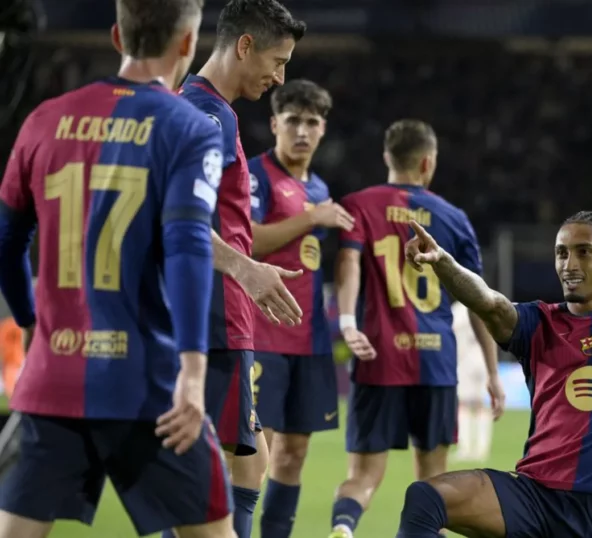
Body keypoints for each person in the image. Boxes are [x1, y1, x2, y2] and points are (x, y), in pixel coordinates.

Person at [393, 24, 592, 538]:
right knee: (427, 497)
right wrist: (443, 262)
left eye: (584, 251)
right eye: (560, 253)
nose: (569, 263)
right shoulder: (540, 323)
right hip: (532, 498)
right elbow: (489, 302)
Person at [0, 0, 234, 536]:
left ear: (116, 36)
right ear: (187, 43)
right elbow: (187, 247)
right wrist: (194, 374)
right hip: (149, 387)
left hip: (51, 381)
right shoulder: (190, 128)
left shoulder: (44, 120)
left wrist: (31, 321)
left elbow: (6, 240)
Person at [329, 119, 505, 538]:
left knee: (363, 475)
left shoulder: (359, 205)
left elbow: (348, 263)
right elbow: (479, 301)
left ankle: (342, 526)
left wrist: (348, 320)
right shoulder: (454, 219)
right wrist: (494, 372)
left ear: (388, 157)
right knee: (433, 482)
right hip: (435, 362)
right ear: (428, 162)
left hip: (379, 359)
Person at [178, 1, 306, 537]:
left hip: (218, 317)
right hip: (214, 319)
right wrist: (246, 269)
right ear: (244, 45)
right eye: (276, 61)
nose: (279, 78)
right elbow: (177, 215)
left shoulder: (202, 108)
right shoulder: (208, 115)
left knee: (244, 459)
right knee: (210, 474)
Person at [248, 78, 354, 538]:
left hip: (308, 341)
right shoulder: (255, 175)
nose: (302, 132)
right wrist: (313, 217)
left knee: (293, 455)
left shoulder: (320, 188)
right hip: (261, 335)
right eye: (293, 121)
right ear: (274, 124)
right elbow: (247, 239)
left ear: (323, 129)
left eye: (312, 122)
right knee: (254, 457)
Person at [450, 302, 493, 463]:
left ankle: (466, 448)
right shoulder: (485, 305)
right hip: (485, 360)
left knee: (465, 405)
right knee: (482, 406)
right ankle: (482, 449)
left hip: (466, 360)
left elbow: (452, 332)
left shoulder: (458, 310)